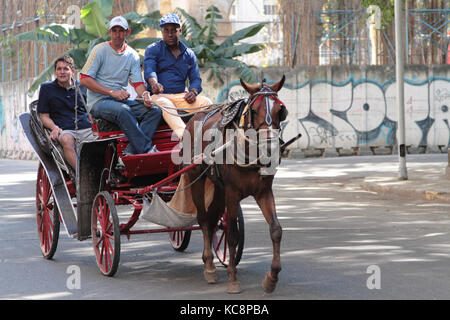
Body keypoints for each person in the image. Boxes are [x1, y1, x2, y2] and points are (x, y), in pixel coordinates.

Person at [80, 16, 161, 156]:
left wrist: (146, 95)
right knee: (123, 110)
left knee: (155, 111)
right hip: (99, 103)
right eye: (114, 30)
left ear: (127, 32)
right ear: (109, 32)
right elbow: (84, 79)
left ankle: (130, 151)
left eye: (121, 31)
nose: (117, 34)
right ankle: (146, 150)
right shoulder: (99, 50)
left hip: (119, 101)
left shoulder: (133, 55)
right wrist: (112, 92)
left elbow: (138, 84)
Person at [143, 13, 213, 139]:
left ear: (179, 31)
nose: (170, 34)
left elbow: (196, 79)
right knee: (165, 103)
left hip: (181, 97)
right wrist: (154, 84)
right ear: (162, 31)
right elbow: (149, 70)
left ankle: (206, 137)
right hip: (159, 96)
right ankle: (185, 137)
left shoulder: (189, 54)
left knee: (207, 103)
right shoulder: (153, 49)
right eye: (166, 30)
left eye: (173, 31)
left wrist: (193, 91)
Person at [37, 55, 96, 170]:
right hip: (65, 130)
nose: (62, 72)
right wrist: (54, 127)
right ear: (55, 72)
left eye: (66, 69)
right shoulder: (46, 88)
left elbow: (93, 109)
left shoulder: (83, 87)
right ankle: (82, 175)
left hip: (87, 129)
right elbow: (44, 116)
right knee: (66, 139)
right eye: (59, 69)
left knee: (106, 141)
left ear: (72, 71)